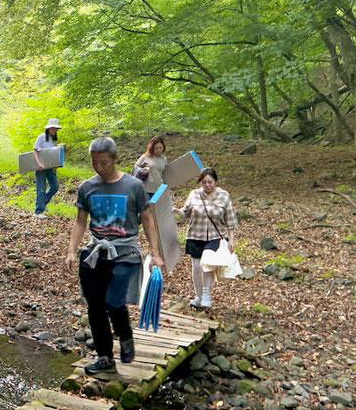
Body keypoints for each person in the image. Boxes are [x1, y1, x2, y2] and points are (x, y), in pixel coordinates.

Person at [65, 137, 164, 374]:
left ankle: (126, 338)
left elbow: (148, 219)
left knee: (114, 301)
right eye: (95, 163)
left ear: (115, 159)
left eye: (104, 162)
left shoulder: (134, 186)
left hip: (125, 253)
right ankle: (105, 358)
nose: (99, 167)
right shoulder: (87, 187)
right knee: (95, 307)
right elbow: (80, 221)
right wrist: (71, 251)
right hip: (94, 252)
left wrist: (156, 254)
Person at [174, 168, 237, 310]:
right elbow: (186, 214)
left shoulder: (224, 196)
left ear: (216, 181)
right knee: (196, 266)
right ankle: (199, 296)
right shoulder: (194, 194)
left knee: (207, 265)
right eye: (204, 183)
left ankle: (207, 295)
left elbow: (231, 219)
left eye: (210, 182)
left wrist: (231, 239)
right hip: (195, 234)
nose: (207, 185)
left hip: (215, 235)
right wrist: (174, 210)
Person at [32, 118, 62, 217]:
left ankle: (42, 203)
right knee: (40, 188)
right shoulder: (41, 137)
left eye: (55, 128)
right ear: (49, 128)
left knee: (54, 186)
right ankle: (38, 211)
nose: (54, 130)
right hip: (41, 167)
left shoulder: (52, 140)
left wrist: (56, 165)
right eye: (53, 128)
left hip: (50, 167)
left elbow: (51, 154)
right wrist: (39, 163)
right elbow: (35, 150)